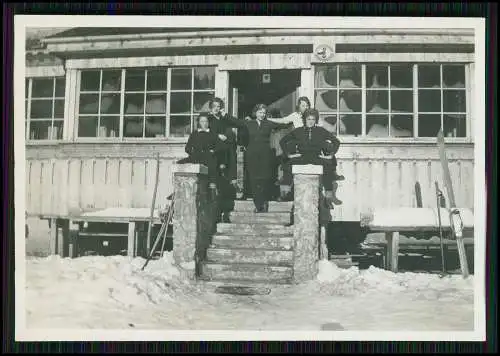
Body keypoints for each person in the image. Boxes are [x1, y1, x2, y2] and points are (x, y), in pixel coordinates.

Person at [221, 104, 292, 213]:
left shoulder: (268, 123)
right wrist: (224, 115)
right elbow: (236, 122)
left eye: (263, 113)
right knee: (253, 179)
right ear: (255, 113)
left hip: (265, 154)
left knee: (264, 178)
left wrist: (295, 120)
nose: (262, 115)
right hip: (251, 154)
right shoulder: (249, 123)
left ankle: (263, 201)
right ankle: (259, 204)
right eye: (260, 112)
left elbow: (283, 124)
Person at [280, 108, 344, 207]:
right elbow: (283, 141)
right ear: (305, 119)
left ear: (316, 120)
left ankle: (328, 198)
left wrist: (330, 155)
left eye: (313, 119)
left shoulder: (321, 131)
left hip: (316, 157)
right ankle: (286, 193)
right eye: (308, 119)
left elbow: (336, 141)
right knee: (287, 164)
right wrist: (289, 154)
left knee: (328, 166)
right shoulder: (298, 131)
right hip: (303, 157)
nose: (310, 121)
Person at [267, 97, 312, 200]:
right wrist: (268, 119)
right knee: (286, 161)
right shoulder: (295, 115)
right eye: (303, 105)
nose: (305, 107)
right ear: (299, 106)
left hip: (308, 144)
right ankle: (286, 189)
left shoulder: (312, 115)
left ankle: (288, 190)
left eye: (307, 105)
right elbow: (283, 121)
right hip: (297, 144)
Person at [176, 112, 221, 193]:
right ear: (199, 122)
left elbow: (219, 147)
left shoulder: (213, 133)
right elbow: (187, 148)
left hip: (208, 157)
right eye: (202, 121)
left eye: (206, 121)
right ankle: (179, 189)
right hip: (196, 157)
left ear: (209, 122)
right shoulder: (194, 134)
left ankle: (212, 187)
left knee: (213, 163)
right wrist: (193, 153)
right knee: (178, 163)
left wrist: (213, 151)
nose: (204, 123)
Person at [206, 98, 239, 192]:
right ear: (210, 108)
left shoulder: (223, 119)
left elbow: (235, 124)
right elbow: (203, 132)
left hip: (223, 147)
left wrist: (226, 115)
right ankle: (214, 186)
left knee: (231, 150)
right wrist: (217, 136)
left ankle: (233, 180)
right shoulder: (208, 119)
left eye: (218, 107)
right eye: (214, 106)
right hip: (212, 146)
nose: (216, 109)